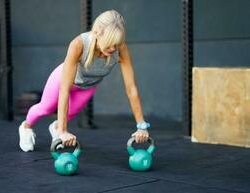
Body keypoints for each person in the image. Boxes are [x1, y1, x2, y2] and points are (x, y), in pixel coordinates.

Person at [18, 10, 151, 152]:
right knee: (45, 108)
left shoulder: (121, 48)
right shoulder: (79, 44)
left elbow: (131, 89)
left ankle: (56, 127)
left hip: (87, 86)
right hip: (63, 80)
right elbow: (64, 89)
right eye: (110, 43)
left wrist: (141, 126)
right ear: (97, 33)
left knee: (71, 112)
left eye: (116, 44)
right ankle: (26, 127)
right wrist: (64, 132)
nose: (113, 48)